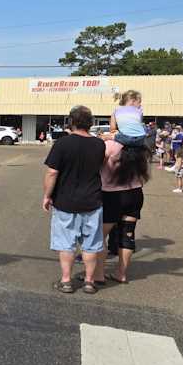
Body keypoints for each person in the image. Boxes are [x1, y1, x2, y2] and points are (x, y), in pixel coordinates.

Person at [43, 105, 106, 294]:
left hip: (65, 201)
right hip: (92, 201)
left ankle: (66, 281)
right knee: (91, 244)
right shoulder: (99, 144)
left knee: (65, 243)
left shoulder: (63, 144)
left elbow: (52, 172)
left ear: (72, 122)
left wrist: (47, 195)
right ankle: (89, 281)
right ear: (90, 123)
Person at [99, 139, 150, 284]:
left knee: (99, 236)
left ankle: (98, 274)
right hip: (135, 193)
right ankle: (121, 274)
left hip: (111, 195)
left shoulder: (110, 145)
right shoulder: (142, 147)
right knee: (128, 235)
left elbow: (95, 165)